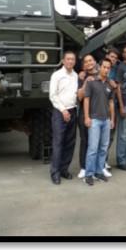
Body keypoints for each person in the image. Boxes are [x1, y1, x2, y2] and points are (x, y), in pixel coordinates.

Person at [83, 59, 116, 186]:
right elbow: (86, 100)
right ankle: (89, 174)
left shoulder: (109, 84)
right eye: (104, 67)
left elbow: (111, 103)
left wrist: (112, 119)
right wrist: (87, 117)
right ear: (99, 67)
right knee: (93, 148)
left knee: (103, 148)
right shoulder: (91, 82)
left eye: (108, 68)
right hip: (94, 120)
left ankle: (98, 171)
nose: (106, 70)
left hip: (106, 120)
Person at [48, 51, 79, 185]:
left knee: (70, 142)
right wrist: (63, 110)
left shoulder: (75, 75)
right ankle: (55, 172)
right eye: (68, 59)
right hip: (60, 112)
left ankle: (64, 169)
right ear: (63, 61)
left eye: (73, 59)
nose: (70, 61)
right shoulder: (57, 75)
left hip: (73, 110)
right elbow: (53, 95)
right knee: (58, 142)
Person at [76, 54, 98, 179]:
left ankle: (96, 167)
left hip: (98, 113)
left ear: (94, 62)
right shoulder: (81, 77)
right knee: (85, 140)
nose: (89, 63)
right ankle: (84, 167)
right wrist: (85, 83)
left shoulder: (101, 75)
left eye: (90, 60)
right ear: (83, 65)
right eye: (86, 61)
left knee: (96, 142)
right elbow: (79, 97)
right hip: (84, 114)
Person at [104, 47, 120, 171]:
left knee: (110, 135)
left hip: (112, 104)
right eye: (111, 56)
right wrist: (110, 80)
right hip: (101, 105)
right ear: (107, 56)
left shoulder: (117, 69)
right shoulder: (101, 67)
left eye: (115, 58)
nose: (113, 59)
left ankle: (104, 160)